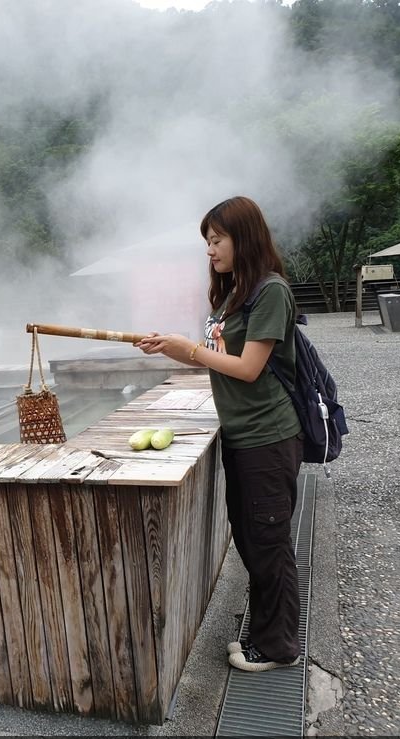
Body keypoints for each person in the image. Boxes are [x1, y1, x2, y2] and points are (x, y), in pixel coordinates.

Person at [135, 196, 303, 673]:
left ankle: (277, 648)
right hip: (242, 435)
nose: (209, 251)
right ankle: (266, 634)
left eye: (216, 240)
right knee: (252, 539)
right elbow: (219, 360)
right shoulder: (233, 294)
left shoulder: (270, 291)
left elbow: (249, 369)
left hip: (268, 436)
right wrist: (174, 349)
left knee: (268, 543)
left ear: (242, 238)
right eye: (207, 242)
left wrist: (191, 349)